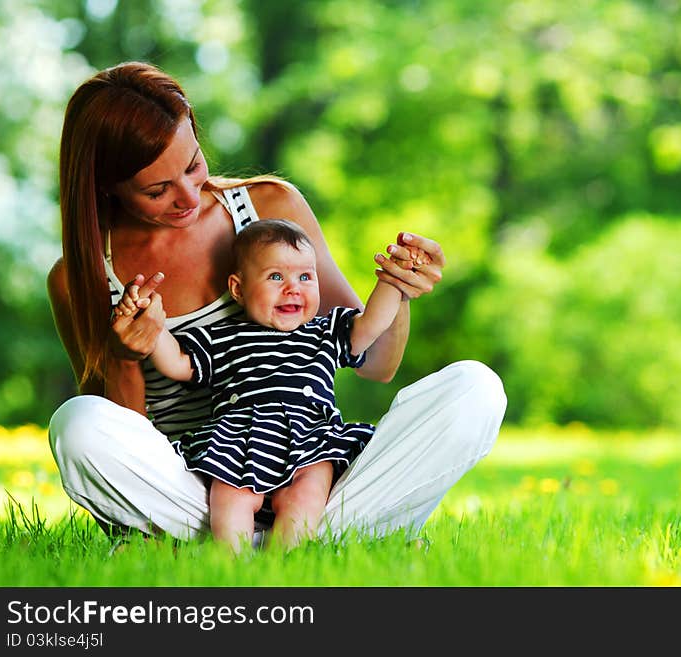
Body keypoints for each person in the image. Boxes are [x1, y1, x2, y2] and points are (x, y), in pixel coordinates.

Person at [47, 60, 507, 547]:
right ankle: (329, 539)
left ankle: (276, 539)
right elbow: (119, 440)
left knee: (475, 388)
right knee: (77, 425)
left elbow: (375, 362)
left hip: (310, 473)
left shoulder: (269, 209)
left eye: (193, 165)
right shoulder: (82, 278)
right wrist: (126, 356)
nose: (187, 196)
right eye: (158, 189)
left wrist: (399, 287)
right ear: (105, 186)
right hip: (196, 488)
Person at [114, 218, 417, 552]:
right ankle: (231, 561)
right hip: (239, 440)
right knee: (230, 496)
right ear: (238, 289)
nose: (293, 288)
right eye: (276, 277)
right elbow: (177, 363)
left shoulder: (326, 331)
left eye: (305, 276)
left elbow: (372, 323)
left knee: (308, 494)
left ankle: (285, 559)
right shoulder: (224, 336)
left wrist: (394, 281)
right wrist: (152, 323)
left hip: (310, 439)